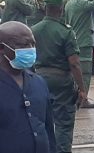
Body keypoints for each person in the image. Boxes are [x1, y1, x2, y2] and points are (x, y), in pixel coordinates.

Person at [33, 0, 86, 153]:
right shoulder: (66, 32)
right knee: (63, 122)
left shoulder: (34, 29)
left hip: (38, 78)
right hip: (61, 79)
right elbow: (74, 63)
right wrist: (82, 89)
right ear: (61, 10)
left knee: (41, 120)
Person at [0, 21, 56, 153]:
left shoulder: (38, 82)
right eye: (23, 45)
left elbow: (48, 128)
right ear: (2, 47)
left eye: (33, 44)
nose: (30, 49)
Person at [64, 0, 94, 109]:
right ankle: (83, 98)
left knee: (74, 73)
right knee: (85, 73)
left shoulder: (70, 3)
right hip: (84, 42)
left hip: (74, 40)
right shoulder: (82, 3)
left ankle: (76, 97)